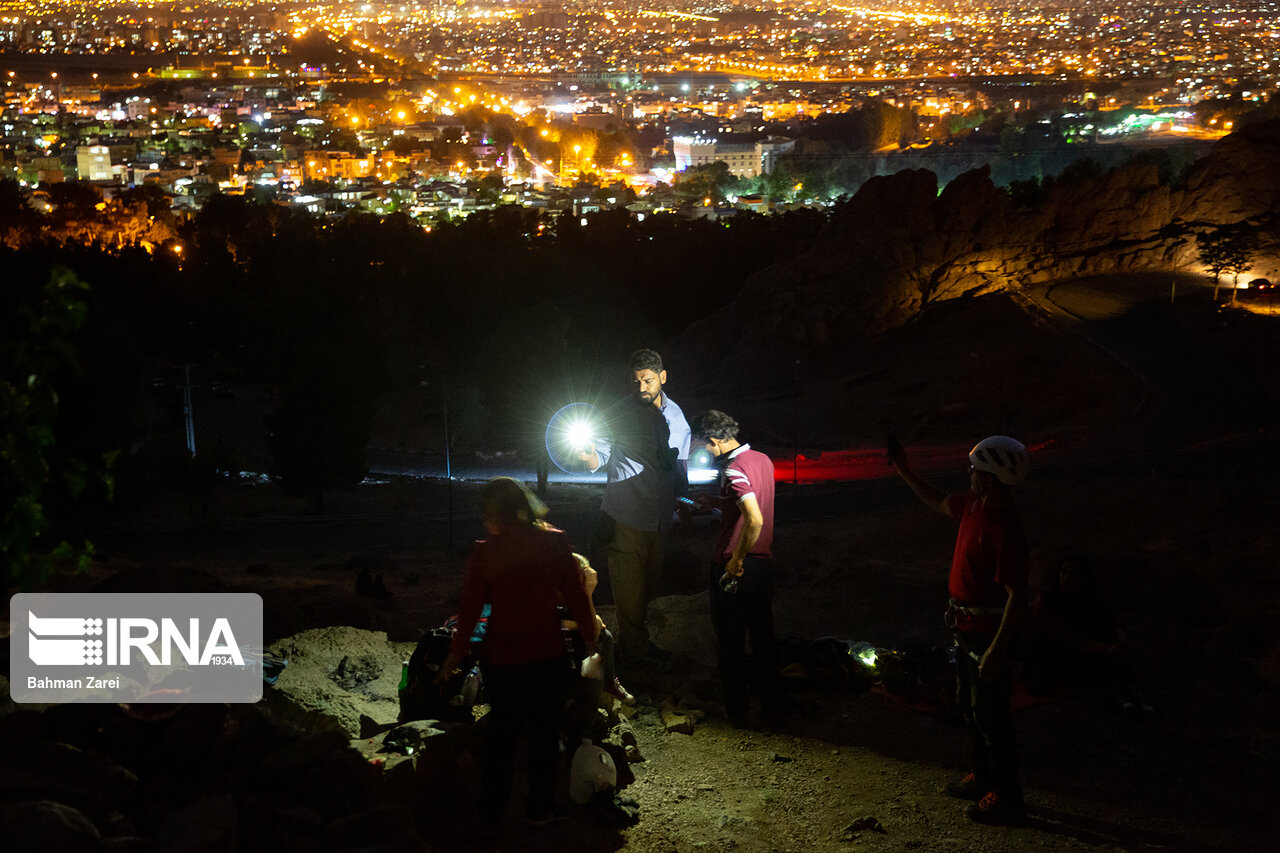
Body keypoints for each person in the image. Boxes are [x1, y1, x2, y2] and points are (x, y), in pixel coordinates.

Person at [437, 477, 598, 828]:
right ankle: (539, 807)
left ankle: (491, 812)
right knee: (544, 732)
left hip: (503, 659)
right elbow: (574, 594)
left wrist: (456, 651)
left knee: (502, 737)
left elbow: (469, 608)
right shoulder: (555, 543)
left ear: (493, 514)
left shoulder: (485, 551)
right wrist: (590, 637)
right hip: (546, 654)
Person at [886, 434, 1030, 826]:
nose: (969, 475)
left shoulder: (1006, 528)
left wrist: (997, 650)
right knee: (972, 708)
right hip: (967, 627)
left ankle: (1006, 797)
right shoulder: (974, 506)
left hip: (986, 634)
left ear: (992, 477)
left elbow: (1018, 595)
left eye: (976, 470)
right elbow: (937, 499)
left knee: (992, 716)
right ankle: (984, 778)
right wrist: (903, 469)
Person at [578, 348, 691, 667]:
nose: (642, 388)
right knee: (628, 592)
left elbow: (679, 467)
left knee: (648, 590)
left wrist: (683, 507)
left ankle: (637, 643)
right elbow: (598, 454)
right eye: (636, 381)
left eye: (648, 380)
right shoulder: (618, 413)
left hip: (659, 521)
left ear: (663, 377)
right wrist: (588, 456)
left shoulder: (677, 417)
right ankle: (634, 654)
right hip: (625, 516)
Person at [691, 409, 780, 728]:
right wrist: (716, 502)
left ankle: (738, 712)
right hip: (763, 564)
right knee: (762, 637)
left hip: (734, 564)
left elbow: (753, 518)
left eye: (706, 444)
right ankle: (772, 705)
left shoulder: (733, 469)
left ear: (714, 439)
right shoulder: (762, 460)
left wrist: (736, 558)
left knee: (730, 642)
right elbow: (750, 505)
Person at [1026, 553, 1154, 713]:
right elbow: (1065, 637)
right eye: (1063, 572)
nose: (1066, 577)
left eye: (1073, 573)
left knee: (1106, 641)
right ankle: (1117, 695)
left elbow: (1110, 621)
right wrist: (1107, 650)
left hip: (1083, 645)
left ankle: (1133, 694)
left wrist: (1121, 642)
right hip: (1053, 651)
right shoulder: (1047, 599)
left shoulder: (1088, 598)